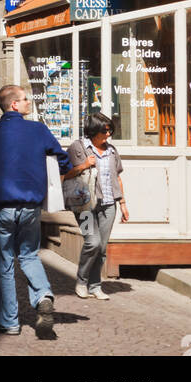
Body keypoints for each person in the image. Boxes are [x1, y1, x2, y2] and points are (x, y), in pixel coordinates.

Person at [0, 83, 83, 336]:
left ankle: (9, 323)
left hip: (2, 208)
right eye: (26, 99)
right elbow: (62, 160)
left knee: (5, 262)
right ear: (14, 104)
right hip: (30, 206)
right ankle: (42, 296)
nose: (30, 102)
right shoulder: (38, 130)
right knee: (29, 255)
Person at [66, 114, 129, 300]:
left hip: (109, 204)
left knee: (101, 247)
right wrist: (84, 165)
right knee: (91, 242)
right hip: (83, 205)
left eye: (110, 129)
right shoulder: (77, 148)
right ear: (93, 130)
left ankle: (95, 286)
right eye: (104, 130)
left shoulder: (111, 150)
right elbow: (64, 175)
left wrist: (123, 204)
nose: (108, 133)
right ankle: (81, 281)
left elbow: (117, 177)